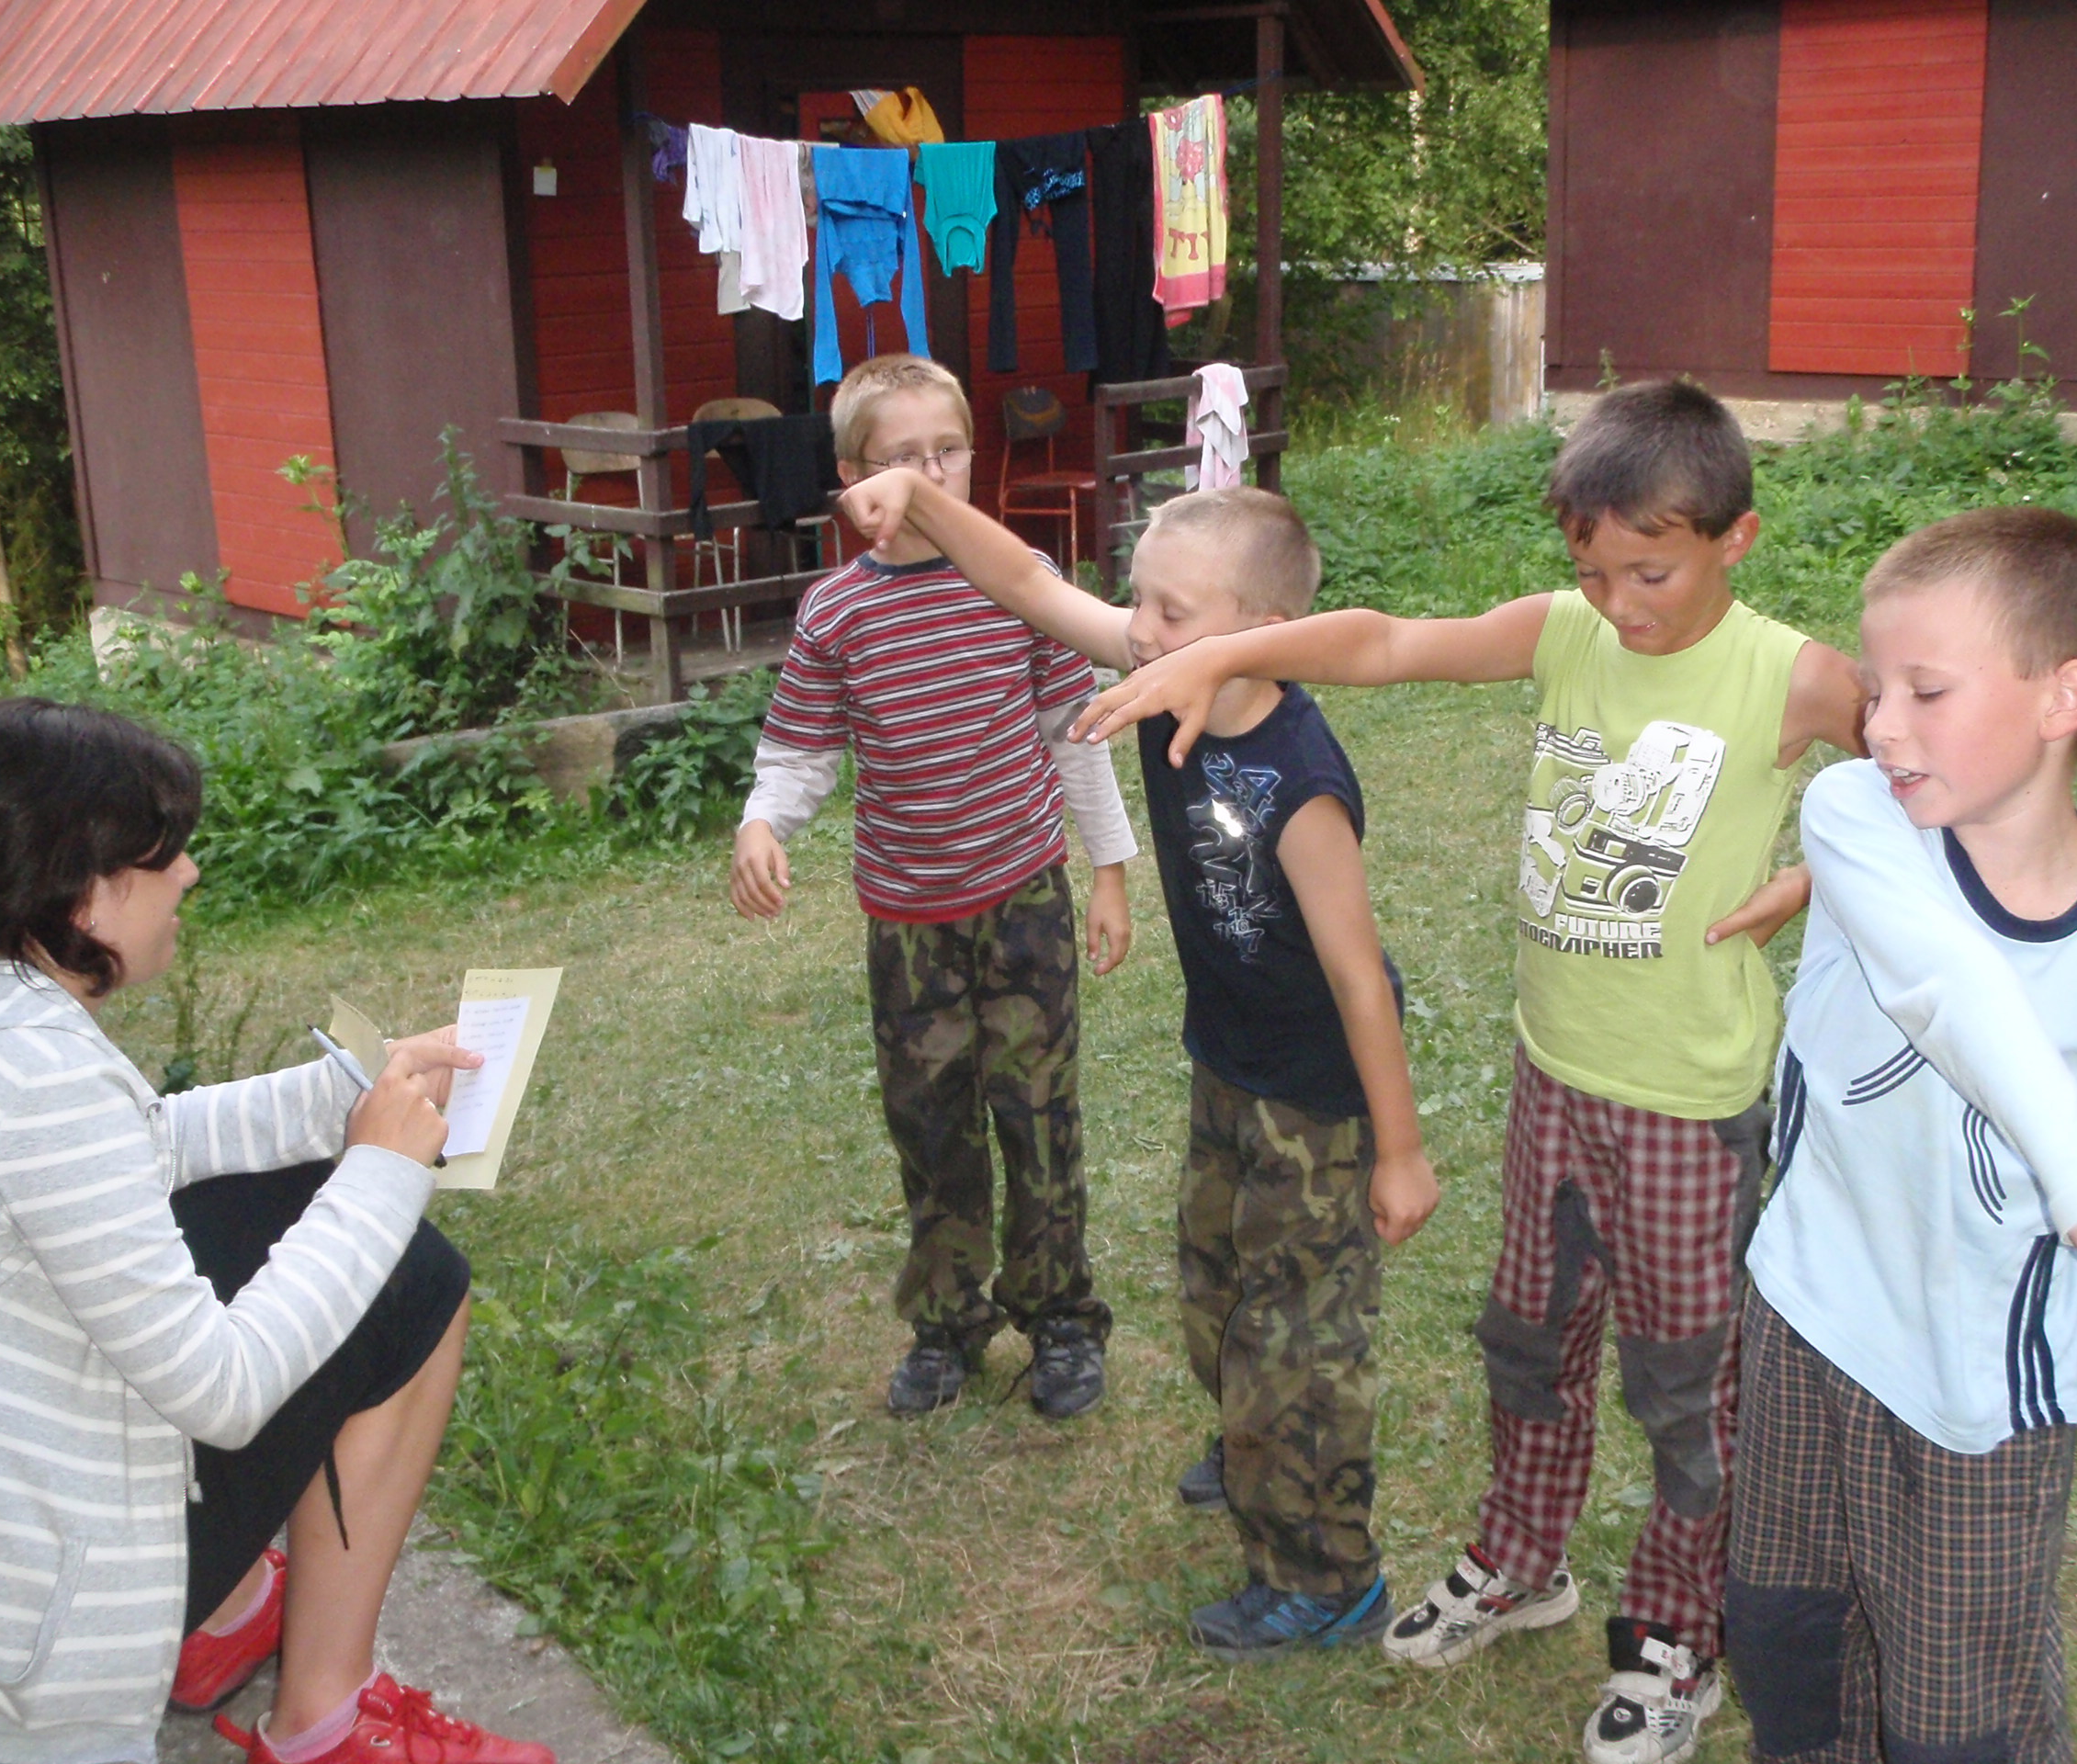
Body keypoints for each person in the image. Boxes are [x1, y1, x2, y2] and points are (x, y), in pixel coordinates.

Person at [1068, 381, 1864, 1761]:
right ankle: (1520, 1559)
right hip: (1554, 1074)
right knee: (1529, 1343)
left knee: (1686, 1384)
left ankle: (1675, 1636)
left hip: (1690, 1107)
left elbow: (1918, 771)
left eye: (1652, 574)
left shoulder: (1788, 674)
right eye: (1594, 573)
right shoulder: (1564, 632)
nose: (1619, 605)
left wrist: (1813, 877)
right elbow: (1384, 642)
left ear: (1734, 539)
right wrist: (1223, 654)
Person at [0, 698, 549, 1764]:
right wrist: (383, 1170)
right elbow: (227, 1390)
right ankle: (317, 1715)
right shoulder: (35, 1081)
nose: (191, 874)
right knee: (407, 1278)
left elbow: (132, 1145)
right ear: (83, 888)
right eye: (163, 854)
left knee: (345, 1239)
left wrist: (344, 1097)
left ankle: (231, 1622)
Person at [839, 467, 1440, 1660]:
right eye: (1140, 601)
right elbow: (1026, 585)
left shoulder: (1303, 782)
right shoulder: (1172, 679)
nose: (1142, 629)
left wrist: (1402, 1150)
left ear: (1266, 633)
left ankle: (1329, 1578)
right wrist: (920, 497)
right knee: (1215, 1292)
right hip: (1227, 1066)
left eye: (1172, 611)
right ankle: (1250, 1442)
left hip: (1318, 1102)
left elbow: (1360, 979)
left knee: (1299, 1340)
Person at [1728, 507, 2077, 1763]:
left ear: (2062, 697)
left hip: (1975, 1403)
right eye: (1877, 690)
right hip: (1804, 1312)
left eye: (1925, 691)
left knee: (1955, 1724)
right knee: (1784, 1640)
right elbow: (1947, 986)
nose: (1879, 726)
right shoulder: (1857, 818)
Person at [729, 353, 1138, 1419]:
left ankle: (1060, 1318)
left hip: (1025, 902)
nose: (929, 474)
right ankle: (947, 1323)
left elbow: (1075, 734)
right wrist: (761, 823)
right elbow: (800, 751)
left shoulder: (1017, 580)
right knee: (931, 1124)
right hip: (907, 921)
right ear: (851, 479)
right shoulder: (835, 614)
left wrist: (1109, 870)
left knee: (1038, 1113)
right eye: (900, 459)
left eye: (946, 451)